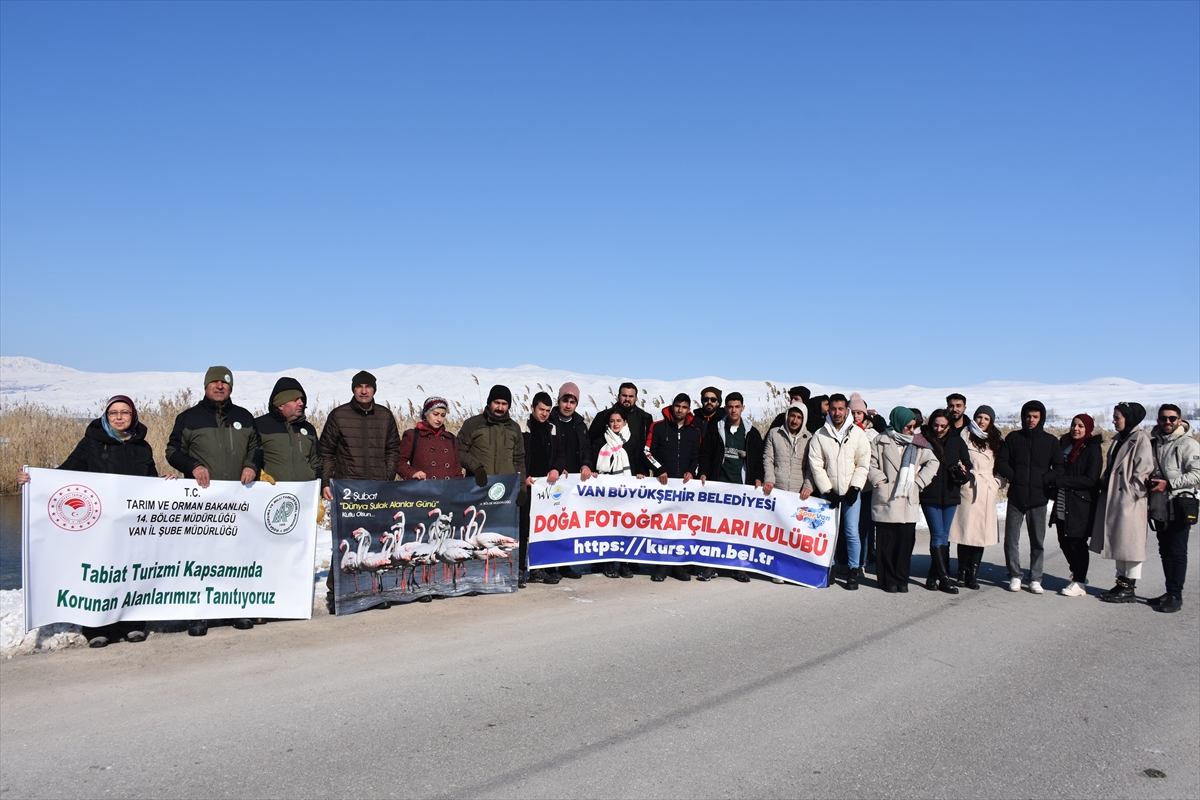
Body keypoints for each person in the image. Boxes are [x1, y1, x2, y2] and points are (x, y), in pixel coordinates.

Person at [18, 396, 158, 648]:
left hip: (131, 524)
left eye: (124, 412)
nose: (119, 417)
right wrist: (34, 479)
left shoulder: (142, 446)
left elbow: (151, 481)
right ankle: (97, 627)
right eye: (113, 412)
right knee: (101, 571)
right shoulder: (91, 444)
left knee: (131, 570)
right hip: (99, 525)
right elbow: (65, 473)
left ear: (133, 416)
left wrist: (166, 484)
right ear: (106, 416)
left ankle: (133, 624)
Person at [166, 367, 261, 636]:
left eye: (225, 383)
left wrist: (251, 465)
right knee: (200, 557)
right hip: (201, 502)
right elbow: (172, 451)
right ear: (206, 385)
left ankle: (235, 609)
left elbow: (256, 447)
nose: (220, 386)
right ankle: (199, 614)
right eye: (215, 382)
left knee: (235, 555)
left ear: (231, 387)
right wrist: (193, 465)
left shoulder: (244, 417)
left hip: (238, 500)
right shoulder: (189, 418)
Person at [318, 370, 401, 611]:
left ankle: (376, 592)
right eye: (359, 386)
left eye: (368, 386)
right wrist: (326, 481)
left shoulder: (385, 416)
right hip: (348, 490)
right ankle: (337, 595)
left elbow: (392, 448)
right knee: (344, 542)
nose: (364, 391)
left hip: (377, 489)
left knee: (376, 542)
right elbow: (327, 452)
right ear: (353, 389)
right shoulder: (339, 415)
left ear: (374, 389)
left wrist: (387, 476)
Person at [995, 400, 1063, 595]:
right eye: (1028, 416)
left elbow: (1059, 467)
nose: (1031, 420)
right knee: (1011, 539)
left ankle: (1035, 578)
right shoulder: (1014, 438)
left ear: (1041, 418)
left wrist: (1045, 479)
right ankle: (1015, 575)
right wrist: (1015, 477)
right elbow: (1002, 462)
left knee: (1037, 541)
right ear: (1023, 417)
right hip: (1016, 497)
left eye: (1035, 417)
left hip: (1038, 498)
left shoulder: (1051, 441)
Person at [868, 407, 938, 593]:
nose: (911, 430)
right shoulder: (880, 439)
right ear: (898, 422)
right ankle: (886, 580)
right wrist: (879, 479)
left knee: (905, 544)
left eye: (914, 426)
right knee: (886, 543)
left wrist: (920, 481)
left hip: (907, 498)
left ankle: (901, 579)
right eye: (908, 426)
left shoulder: (918, 441)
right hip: (887, 497)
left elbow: (934, 462)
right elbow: (869, 462)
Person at [1090, 403, 1154, 604]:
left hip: (1129, 500)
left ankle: (1129, 586)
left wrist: (1132, 493)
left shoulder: (1140, 439)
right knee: (1119, 542)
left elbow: (1144, 469)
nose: (1114, 420)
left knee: (1131, 544)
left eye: (1117, 417)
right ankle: (1121, 583)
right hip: (1114, 498)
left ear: (1129, 418)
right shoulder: (1119, 439)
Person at [698, 392, 764, 582]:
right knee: (715, 526)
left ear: (743, 408)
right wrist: (704, 472)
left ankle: (738, 567)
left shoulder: (751, 432)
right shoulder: (715, 428)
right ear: (725, 408)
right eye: (730, 406)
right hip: (719, 486)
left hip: (741, 487)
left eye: (737, 406)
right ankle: (711, 566)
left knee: (739, 528)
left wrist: (757, 478)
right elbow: (706, 454)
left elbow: (758, 459)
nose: (734, 410)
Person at [808, 394, 871, 590]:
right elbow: (816, 465)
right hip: (829, 493)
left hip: (851, 491)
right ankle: (830, 567)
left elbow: (863, 463)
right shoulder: (820, 435)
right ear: (829, 410)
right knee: (829, 533)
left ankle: (853, 570)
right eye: (833, 409)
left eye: (841, 409)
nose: (837, 413)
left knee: (851, 532)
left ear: (847, 411)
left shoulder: (858, 434)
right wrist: (827, 490)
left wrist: (855, 487)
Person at [1147, 404, 1200, 613]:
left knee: (1177, 551)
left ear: (1180, 420)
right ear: (1158, 420)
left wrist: (1169, 484)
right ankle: (1169, 591)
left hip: (1179, 504)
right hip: (1159, 506)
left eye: (1172, 418)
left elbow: (1196, 474)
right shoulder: (1154, 444)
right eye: (1163, 418)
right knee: (1165, 551)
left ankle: (1176, 595)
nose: (1167, 422)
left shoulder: (1189, 444)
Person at [646, 393, 702, 582]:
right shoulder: (658, 426)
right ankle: (661, 566)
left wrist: (691, 472)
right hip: (663, 485)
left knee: (681, 526)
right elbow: (647, 451)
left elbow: (696, 457)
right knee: (663, 525)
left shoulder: (694, 431)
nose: (680, 410)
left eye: (684, 407)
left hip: (684, 488)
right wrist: (659, 468)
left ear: (688, 409)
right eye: (677, 406)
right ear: (672, 406)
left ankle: (679, 566)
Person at [1045, 414, 1102, 597]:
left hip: (1081, 504)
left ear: (1088, 429)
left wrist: (1061, 481)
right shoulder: (1067, 446)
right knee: (1063, 541)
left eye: (1080, 426)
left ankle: (1079, 582)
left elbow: (1091, 479)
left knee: (1077, 542)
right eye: (1073, 425)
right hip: (1063, 500)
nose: (1076, 429)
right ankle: (1078, 574)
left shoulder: (1092, 449)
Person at [949, 406, 1004, 590]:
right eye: (979, 417)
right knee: (966, 532)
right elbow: (956, 459)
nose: (982, 421)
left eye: (986, 418)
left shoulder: (995, 440)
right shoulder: (964, 435)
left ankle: (973, 575)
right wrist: (961, 478)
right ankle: (961, 574)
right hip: (969, 488)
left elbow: (1002, 466)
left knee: (979, 535)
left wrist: (997, 483)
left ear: (991, 421)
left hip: (986, 490)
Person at [918, 409, 972, 594]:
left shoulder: (957, 441)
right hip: (929, 494)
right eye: (936, 425)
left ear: (949, 425)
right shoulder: (922, 439)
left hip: (950, 493)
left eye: (943, 426)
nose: (939, 429)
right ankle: (944, 578)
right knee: (938, 535)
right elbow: (910, 459)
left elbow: (968, 464)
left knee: (943, 536)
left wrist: (963, 471)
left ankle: (933, 576)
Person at [591, 407, 647, 578]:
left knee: (626, 526)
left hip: (628, 493)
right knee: (608, 526)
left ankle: (625, 563)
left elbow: (639, 462)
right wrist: (593, 471)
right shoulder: (601, 441)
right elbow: (592, 459)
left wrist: (640, 473)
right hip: (606, 493)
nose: (615, 424)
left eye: (618, 421)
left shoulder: (634, 441)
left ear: (625, 422)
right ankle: (608, 563)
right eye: (612, 421)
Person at [548, 382, 593, 579]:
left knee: (567, 523)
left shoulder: (580, 424)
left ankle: (566, 564)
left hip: (573, 481)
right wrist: (556, 467)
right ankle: (549, 565)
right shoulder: (549, 420)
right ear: (558, 401)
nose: (568, 405)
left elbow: (586, 449)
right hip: (553, 479)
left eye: (572, 401)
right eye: (565, 400)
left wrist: (586, 465)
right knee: (550, 522)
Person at [523, 392, 560, 585]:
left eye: (547, 410)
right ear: (533, 408)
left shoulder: (553, 429)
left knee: (543, 528)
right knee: (524, 529)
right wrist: (523, 476)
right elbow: (517, 456)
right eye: (541, 410)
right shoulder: (523, 427)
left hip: (547, 487)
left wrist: (555, 468)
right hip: (528, 485)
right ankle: (522, 569)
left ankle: (539, 569)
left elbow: (560, 454)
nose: (544, 414)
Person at [255, 377, 321, 483]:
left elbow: (316, 462)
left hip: (305, 492)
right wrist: (259, 476)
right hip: (272, 493)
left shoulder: (308, 429)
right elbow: (250, 458)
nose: (301, 403)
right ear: (280, 405)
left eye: (302, 399)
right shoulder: (259, 426)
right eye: (295, 400)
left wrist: (318, 485)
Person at [397, 397, 462, 481]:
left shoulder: (450, 438)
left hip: (448, 490)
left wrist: (459, 488)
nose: (439, 419)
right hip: (423, 489)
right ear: (426, 413)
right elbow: (398, 461)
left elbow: (457, 469)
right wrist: (412, 473)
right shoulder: (413, 435)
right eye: (435, 414)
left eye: (443, 415)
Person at [850, 393, 879, 566]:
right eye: (853, 413)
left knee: (864, 526)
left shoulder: (872, 433)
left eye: (859, 413)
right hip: (848, 484)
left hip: (866, 486)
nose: (855, 416)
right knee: (850, 527)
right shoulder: (843, 431)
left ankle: (861, 561)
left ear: (865, 414)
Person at [589, 382, 655, 457]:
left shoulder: (645, 418)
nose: (627, 399)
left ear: (636, 398)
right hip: (609, 463)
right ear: (618, 396)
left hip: (637, 465)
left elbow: (649, 445)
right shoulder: (603, 416)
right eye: (624, 395)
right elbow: (590, 442)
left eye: (631, 396)